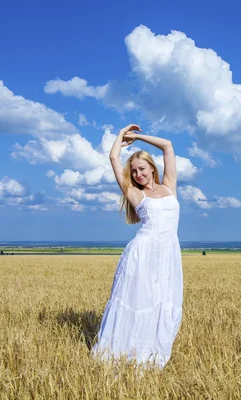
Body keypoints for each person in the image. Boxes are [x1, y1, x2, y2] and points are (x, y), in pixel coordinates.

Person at [91, 124, 183, 369]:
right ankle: (128, 350)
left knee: (163, 301)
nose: (138, 175)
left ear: (152, 167)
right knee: (140, 300)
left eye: (141, 169)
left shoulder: (169, 187)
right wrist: (120, 135)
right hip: (142, 254)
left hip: (168, 255)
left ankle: (153, 352)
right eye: (133, 172)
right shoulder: (135, 194)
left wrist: (137, 137)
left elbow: (167, 145)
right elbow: (112, 157)